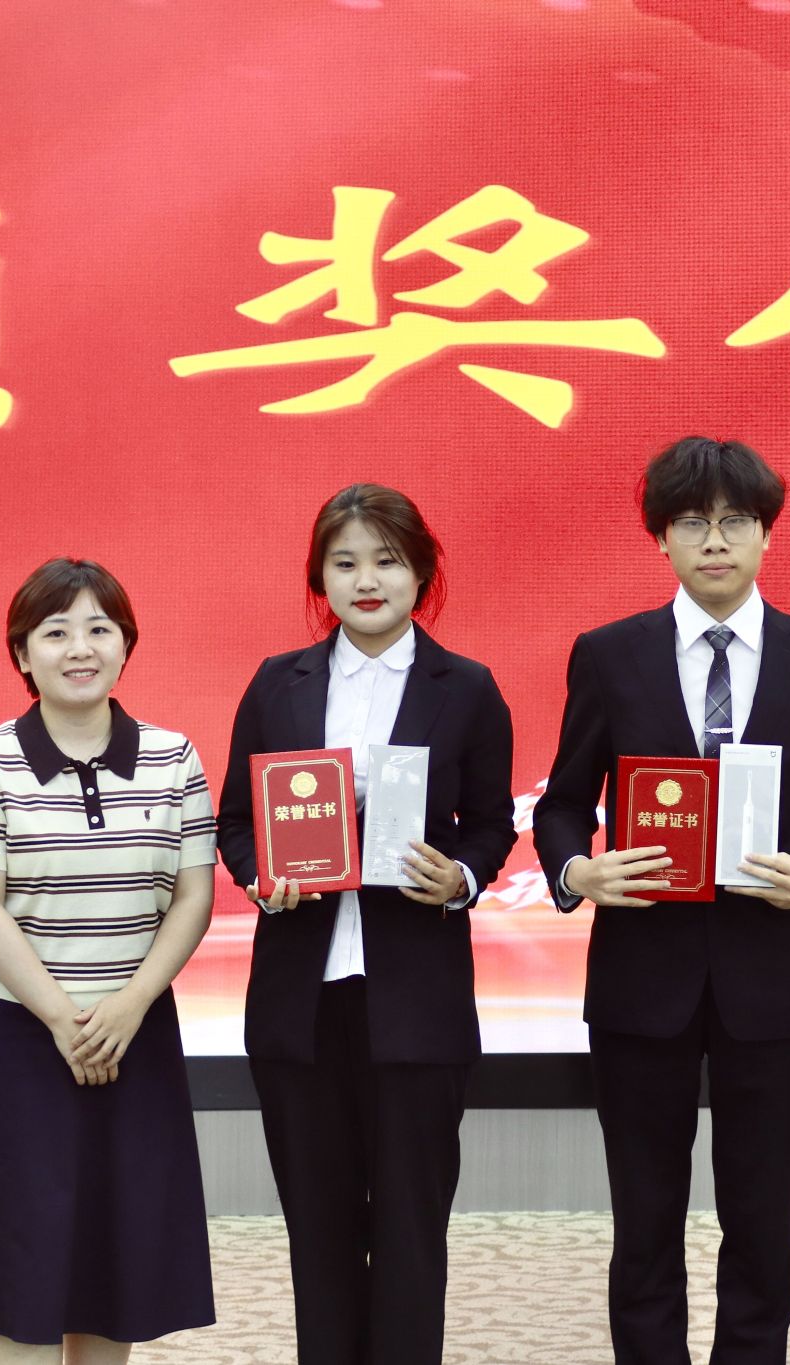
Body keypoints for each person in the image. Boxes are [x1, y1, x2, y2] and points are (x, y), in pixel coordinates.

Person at [533, 436, 790, 1365]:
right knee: (644, 1219)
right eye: (692, 522)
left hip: (773, 977)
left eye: (734, 522)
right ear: (662, 539)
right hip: (641, 976)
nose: (714, 540)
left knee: (761, 1220)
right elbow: (562, 805)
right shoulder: (609, 655)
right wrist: (577, 871)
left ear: (767, 535)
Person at [217, 483, 517, 1365]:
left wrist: (459, 877)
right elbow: (237, 820)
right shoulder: (279, 683)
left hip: (417, 1004)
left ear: (422, 571)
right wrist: (261, 876)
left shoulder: (467, 688)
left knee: (412, 1233)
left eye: (387, 560)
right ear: (321, 577)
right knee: (318, 1234)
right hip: (300, 1006)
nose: (367, 580)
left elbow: (492, 824)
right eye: (345, 562)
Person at [0, 558, 216, 1364]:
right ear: (23, 653)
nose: (79, 648)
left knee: (117, 1265)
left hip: (134, 1035)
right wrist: (61, 1016)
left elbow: (193, 898)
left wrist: (129, 1005)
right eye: (55, 632)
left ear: (125, 645)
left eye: (98, 629)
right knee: (19, 1274)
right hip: (15, 1039)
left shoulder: (174, 757)